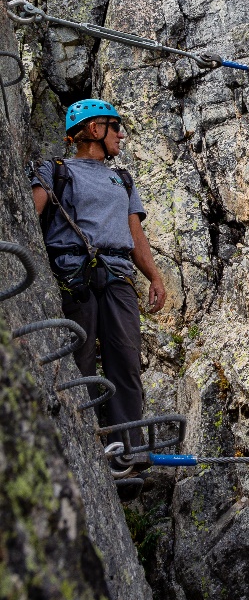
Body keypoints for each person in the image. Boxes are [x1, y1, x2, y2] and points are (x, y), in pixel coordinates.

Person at [31, 98, 165, 445]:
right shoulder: (56, 171)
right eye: (115, 127)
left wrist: (155, 276)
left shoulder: (122, 179)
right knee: (81, 359)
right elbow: (30, 215)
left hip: (118, 276)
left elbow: (134, 232)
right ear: (95, 129)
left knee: (126, 361)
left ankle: (128, 452)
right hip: (74, 275)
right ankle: (85, 445)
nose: (121, 135)